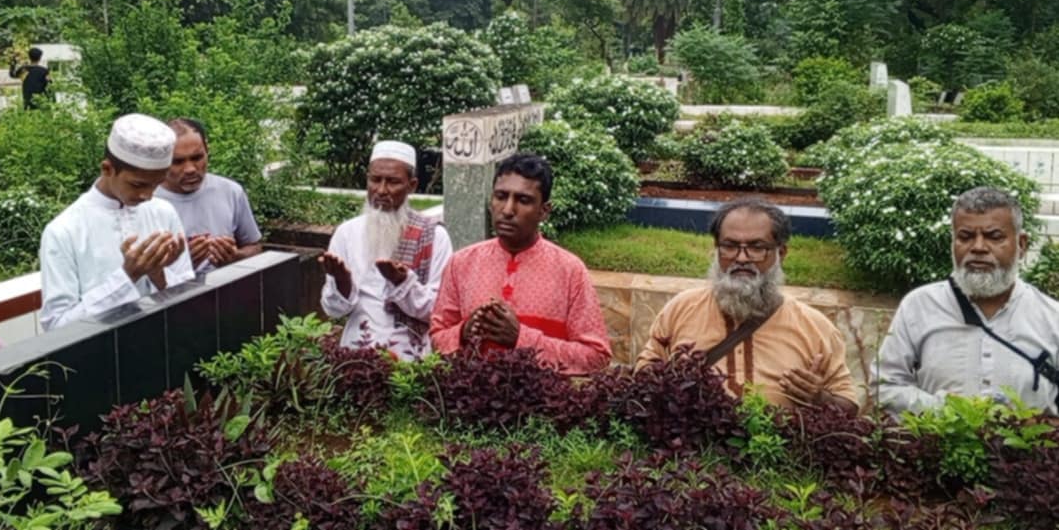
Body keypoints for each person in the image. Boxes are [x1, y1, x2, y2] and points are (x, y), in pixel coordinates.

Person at [635, 198, 857, 412]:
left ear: (781, 253)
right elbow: (643, 375)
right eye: (729, 246)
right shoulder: (681, 309)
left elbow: (850, 405)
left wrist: (820, 399)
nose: (741, 258)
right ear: (716, 249)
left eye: (757, 247)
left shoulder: (814, 327)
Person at [875, 187, 1059, 415]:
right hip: (935, 439)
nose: (978, 247)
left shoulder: (1052, 318)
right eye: (965, 237)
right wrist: (945, 411)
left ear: (1021, 245)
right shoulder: (918, 307)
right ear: (952, 243)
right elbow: (884, 387)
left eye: (994, 237)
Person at [430, 153, 612, 375]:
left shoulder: (570, 270)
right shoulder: (461, 263)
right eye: (500, 196)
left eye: (523, 200)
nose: (507, 210)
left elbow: (596, 357)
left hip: (544, 396)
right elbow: (436, 340)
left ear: (544, 211)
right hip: (470, 393)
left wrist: (522, 338)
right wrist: (462, 333)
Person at [39, 113, 194, 331]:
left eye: (156, 184)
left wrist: (159, 275)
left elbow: (190, 298)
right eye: (138, 185)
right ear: (107, 169)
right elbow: (56, 326)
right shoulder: (64, 231)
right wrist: (127, 277)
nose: (148, 196)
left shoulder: (163, 212)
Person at [320, 141, 453, 360]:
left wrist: (402, 283)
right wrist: (342, 284)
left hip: (412, 357)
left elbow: (439, 310)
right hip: (356, 353)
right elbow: (333, 310)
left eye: (392, 182)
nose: (381, 190)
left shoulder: (434, 236)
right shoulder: (346, 233)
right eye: (375, 180)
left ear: (411, 186)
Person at [155, 118, 262, 272]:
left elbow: (254, 247)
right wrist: (180, 263)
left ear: (207, 151)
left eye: (197, 158)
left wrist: (235, 258)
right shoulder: (146, 202)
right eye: (178, 162)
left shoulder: (230, 191)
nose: (190, 169)